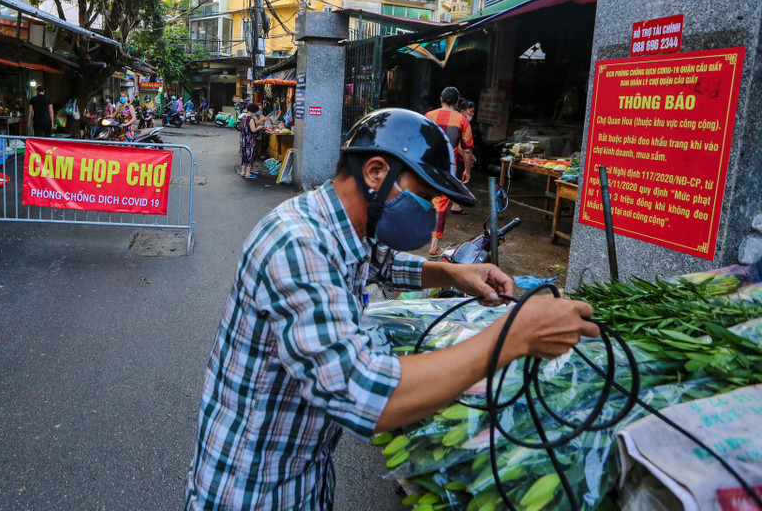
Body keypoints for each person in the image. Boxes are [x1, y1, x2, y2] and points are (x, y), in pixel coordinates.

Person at [184, 108, 598, 510]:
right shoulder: (299, 242)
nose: (433, 210)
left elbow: (383, 262)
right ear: (377, 173)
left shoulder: (344, 226)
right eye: (425, 196)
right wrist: (513, 336)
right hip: (255, 486)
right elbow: (362, 392)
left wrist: (456, 274)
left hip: (303, 471)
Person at [425, 86, 474, 256]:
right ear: (457, 102)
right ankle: (434, 245)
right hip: (448, 167)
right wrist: (467, 170)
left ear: (441, 99)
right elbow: (467, 150)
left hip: (427, 164)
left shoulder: (429, 116)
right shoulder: (462, 121)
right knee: (441, 204)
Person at [238, 102, 263, 178]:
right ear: (254, 111)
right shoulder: (250, 119)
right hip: (250, 140)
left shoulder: (244, 117)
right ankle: (248, 173)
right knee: (250, 156)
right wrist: (259, 127)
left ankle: (243, 172)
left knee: (244, 156)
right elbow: (253, 130)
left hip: (243, 140)